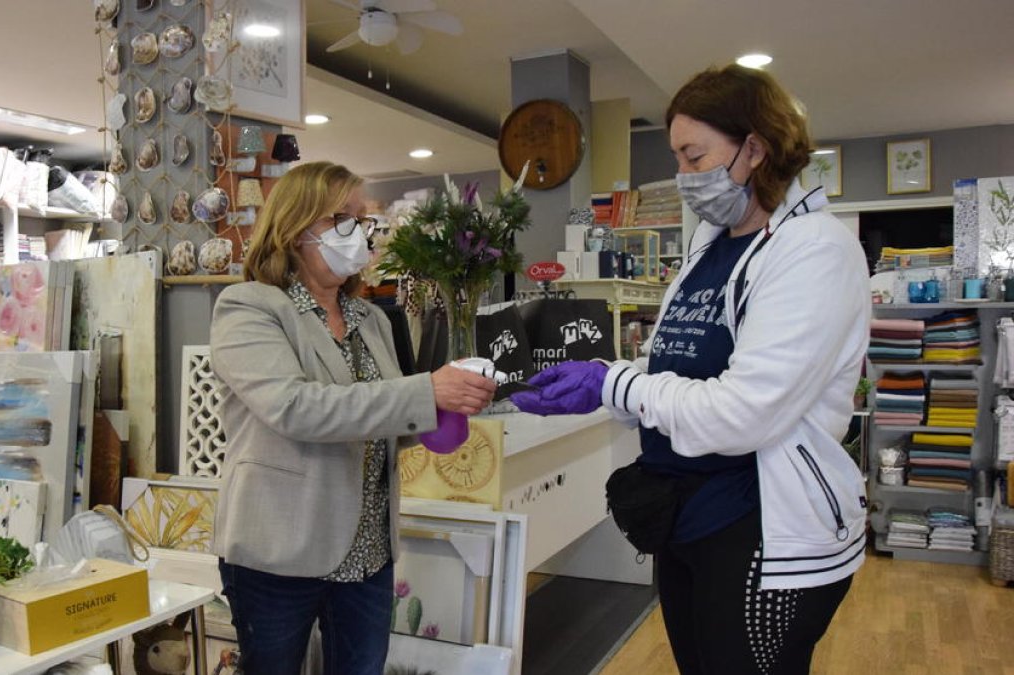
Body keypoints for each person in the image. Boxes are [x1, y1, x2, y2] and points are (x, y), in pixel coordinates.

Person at [512, 64, 870, 674]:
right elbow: (673, 364)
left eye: (694, 156)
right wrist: (606, 382)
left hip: (761, 530)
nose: (684, 176)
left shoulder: (813, 249)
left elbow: (742, 413)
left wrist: (614, 382)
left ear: (754, 148)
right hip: (687, 518)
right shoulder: (714, 241)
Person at [208, 161, 496, 675]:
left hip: (368, 551)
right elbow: (296, 409)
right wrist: (424, 392)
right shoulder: (249, 307)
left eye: (361, 220)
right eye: (341, 218)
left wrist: (439, 414)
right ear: (295, 228)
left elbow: (379, 422)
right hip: (280, 548)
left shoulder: (371, 319)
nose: (357, 232)